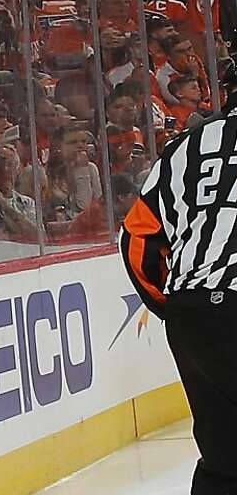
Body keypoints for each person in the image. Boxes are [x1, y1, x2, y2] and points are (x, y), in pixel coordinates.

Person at [122, 97, 237, 493]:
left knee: (225, 460)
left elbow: (137, 238)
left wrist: (175, 309)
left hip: (195, 313)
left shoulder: (186, 146)